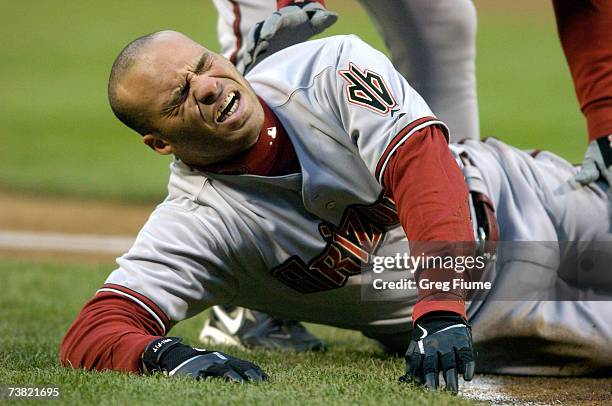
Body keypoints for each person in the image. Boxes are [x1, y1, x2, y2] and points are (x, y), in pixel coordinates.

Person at [61, 31, 612, 393]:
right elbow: (93, 331)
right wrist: (166, 356)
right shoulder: (198, 224)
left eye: (203, 64)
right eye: (179, 96)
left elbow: (420, 162)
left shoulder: (330, 67)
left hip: (520, 192)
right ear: (161, 143)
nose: (207, 87)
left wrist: (440, 305)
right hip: (499, 311)